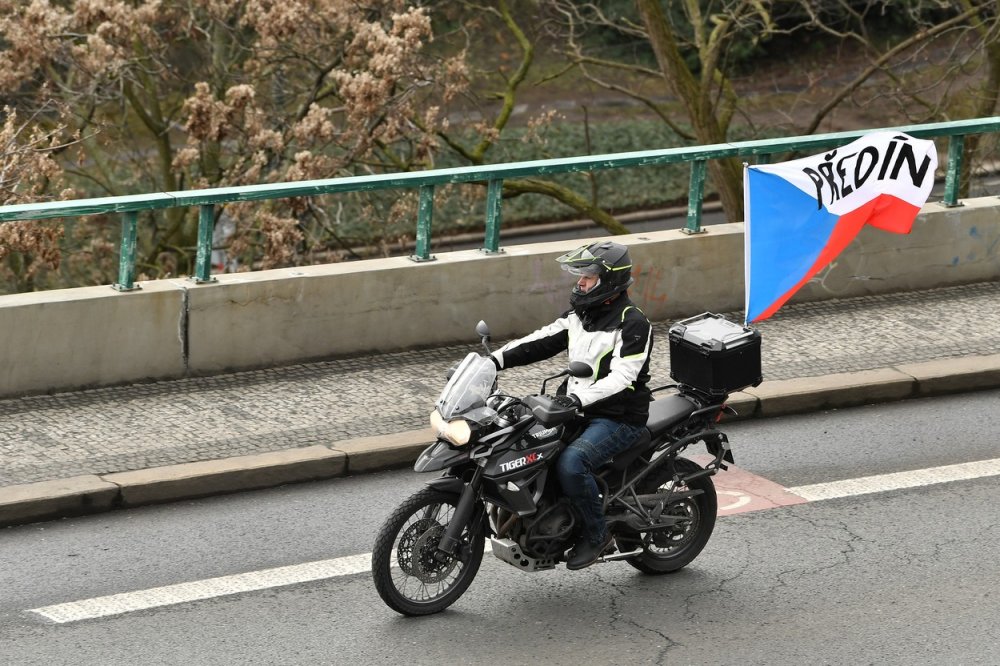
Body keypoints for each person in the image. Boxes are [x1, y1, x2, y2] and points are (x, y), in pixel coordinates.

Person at [490, 240, 653, 570]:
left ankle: (597, 534)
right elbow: (539, 341)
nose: (580, 283)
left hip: (618, 416)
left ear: (608, 280)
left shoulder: (634, 324)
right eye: (580, 276)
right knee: (522, 443)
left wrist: (576, 398)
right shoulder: (580, 315)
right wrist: (493, 360)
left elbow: (622, 378)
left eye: (588, 277)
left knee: (571, 464)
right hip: (574, 408)